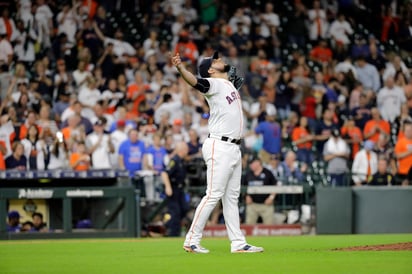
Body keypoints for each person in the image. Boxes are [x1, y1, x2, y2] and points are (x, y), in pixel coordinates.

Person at [171, 51, 263, 253]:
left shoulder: (229, 84)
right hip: (219, 145)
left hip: (233, 147)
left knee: (231, 197)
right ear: (211, 70)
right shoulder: (213, 84)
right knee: (213, 195)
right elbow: (196, 82)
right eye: (215, 60)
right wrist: (181, 68)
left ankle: (238, 243)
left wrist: (221, 66)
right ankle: (191, 239)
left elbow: (235, 73)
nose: (219, 59)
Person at [161, 141, 190, 237]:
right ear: (182, 150)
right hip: (173, 189)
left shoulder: (182, 160)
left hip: (180, 190)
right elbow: (164, 173)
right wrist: (168, 187)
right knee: (175, 211)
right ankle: (173, 233)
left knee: (184, 208)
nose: (188, 150)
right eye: (186, 148)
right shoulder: (175, 160)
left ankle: (171, 225)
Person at [243, 156, 277, 225]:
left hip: (266, 204)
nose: (250, 165)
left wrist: (271, 198)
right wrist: (246, 196)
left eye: (252, 163)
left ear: (258, 162)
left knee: (269, 227)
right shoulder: (248, 174)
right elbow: (243, 187)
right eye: (250, 163)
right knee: (249, 226)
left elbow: (275, 186)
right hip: (252, 204)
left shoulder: (268, 173)